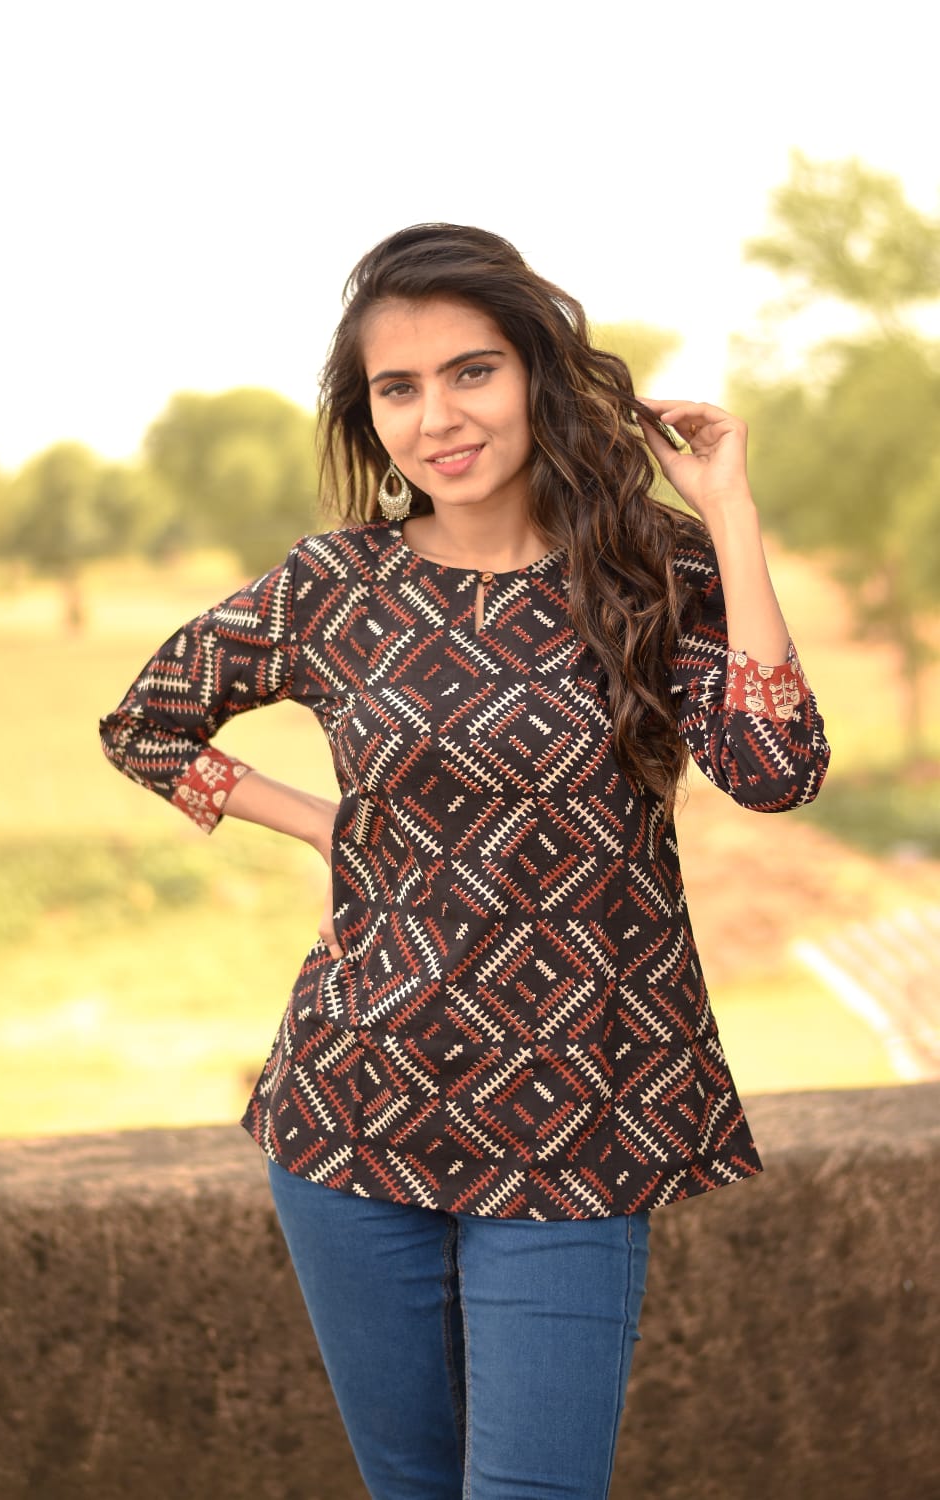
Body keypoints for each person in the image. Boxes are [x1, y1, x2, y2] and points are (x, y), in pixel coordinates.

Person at [100, 223, 830, 1499]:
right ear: (368, 414)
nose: (436, 417)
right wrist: (317, 821)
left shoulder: (648, 568)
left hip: (580, 1118)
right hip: (352, 1106)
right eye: (398, 388)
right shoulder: (334, 587)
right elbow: (144, 727)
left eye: (472, 371)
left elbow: (775, 770)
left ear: (538, 373)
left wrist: (726, 511)